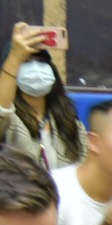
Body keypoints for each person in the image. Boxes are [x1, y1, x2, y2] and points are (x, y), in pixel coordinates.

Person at [0, 25, 85, 170]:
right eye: (25, 61)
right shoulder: (9, 122)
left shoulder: (71, 124)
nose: (35, 67)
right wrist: (15, 56)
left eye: (40, 61)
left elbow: (84, 170)